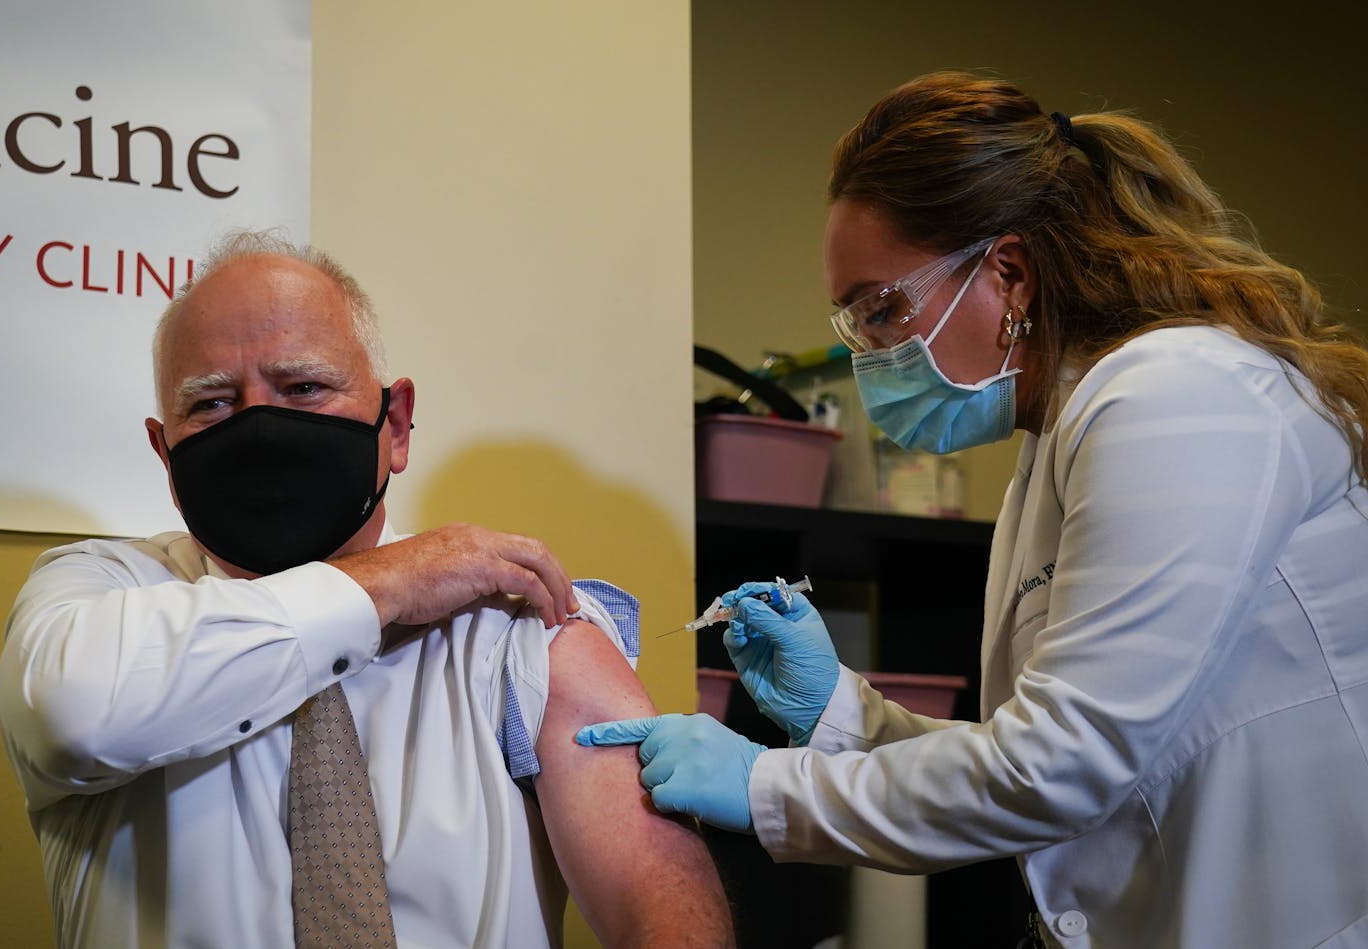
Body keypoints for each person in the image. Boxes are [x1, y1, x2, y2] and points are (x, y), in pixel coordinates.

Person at [579, 70, 1368, 948]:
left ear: (1012, 271)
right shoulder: (1056, 439)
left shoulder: (1177, 395)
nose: (872, 356)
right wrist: (838, 711)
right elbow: (1027, 751)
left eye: (882, 311)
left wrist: (764, 782)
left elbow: (1058, 766)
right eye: (856, 327)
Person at [0, 231, 735, 948]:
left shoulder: (514, 626)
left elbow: (661, 903)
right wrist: (393, 578)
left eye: (305, 387)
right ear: (165, 451)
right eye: (212, 404)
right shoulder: (97, 592)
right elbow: (73, 715)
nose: (259, 428)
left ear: (398, 423)